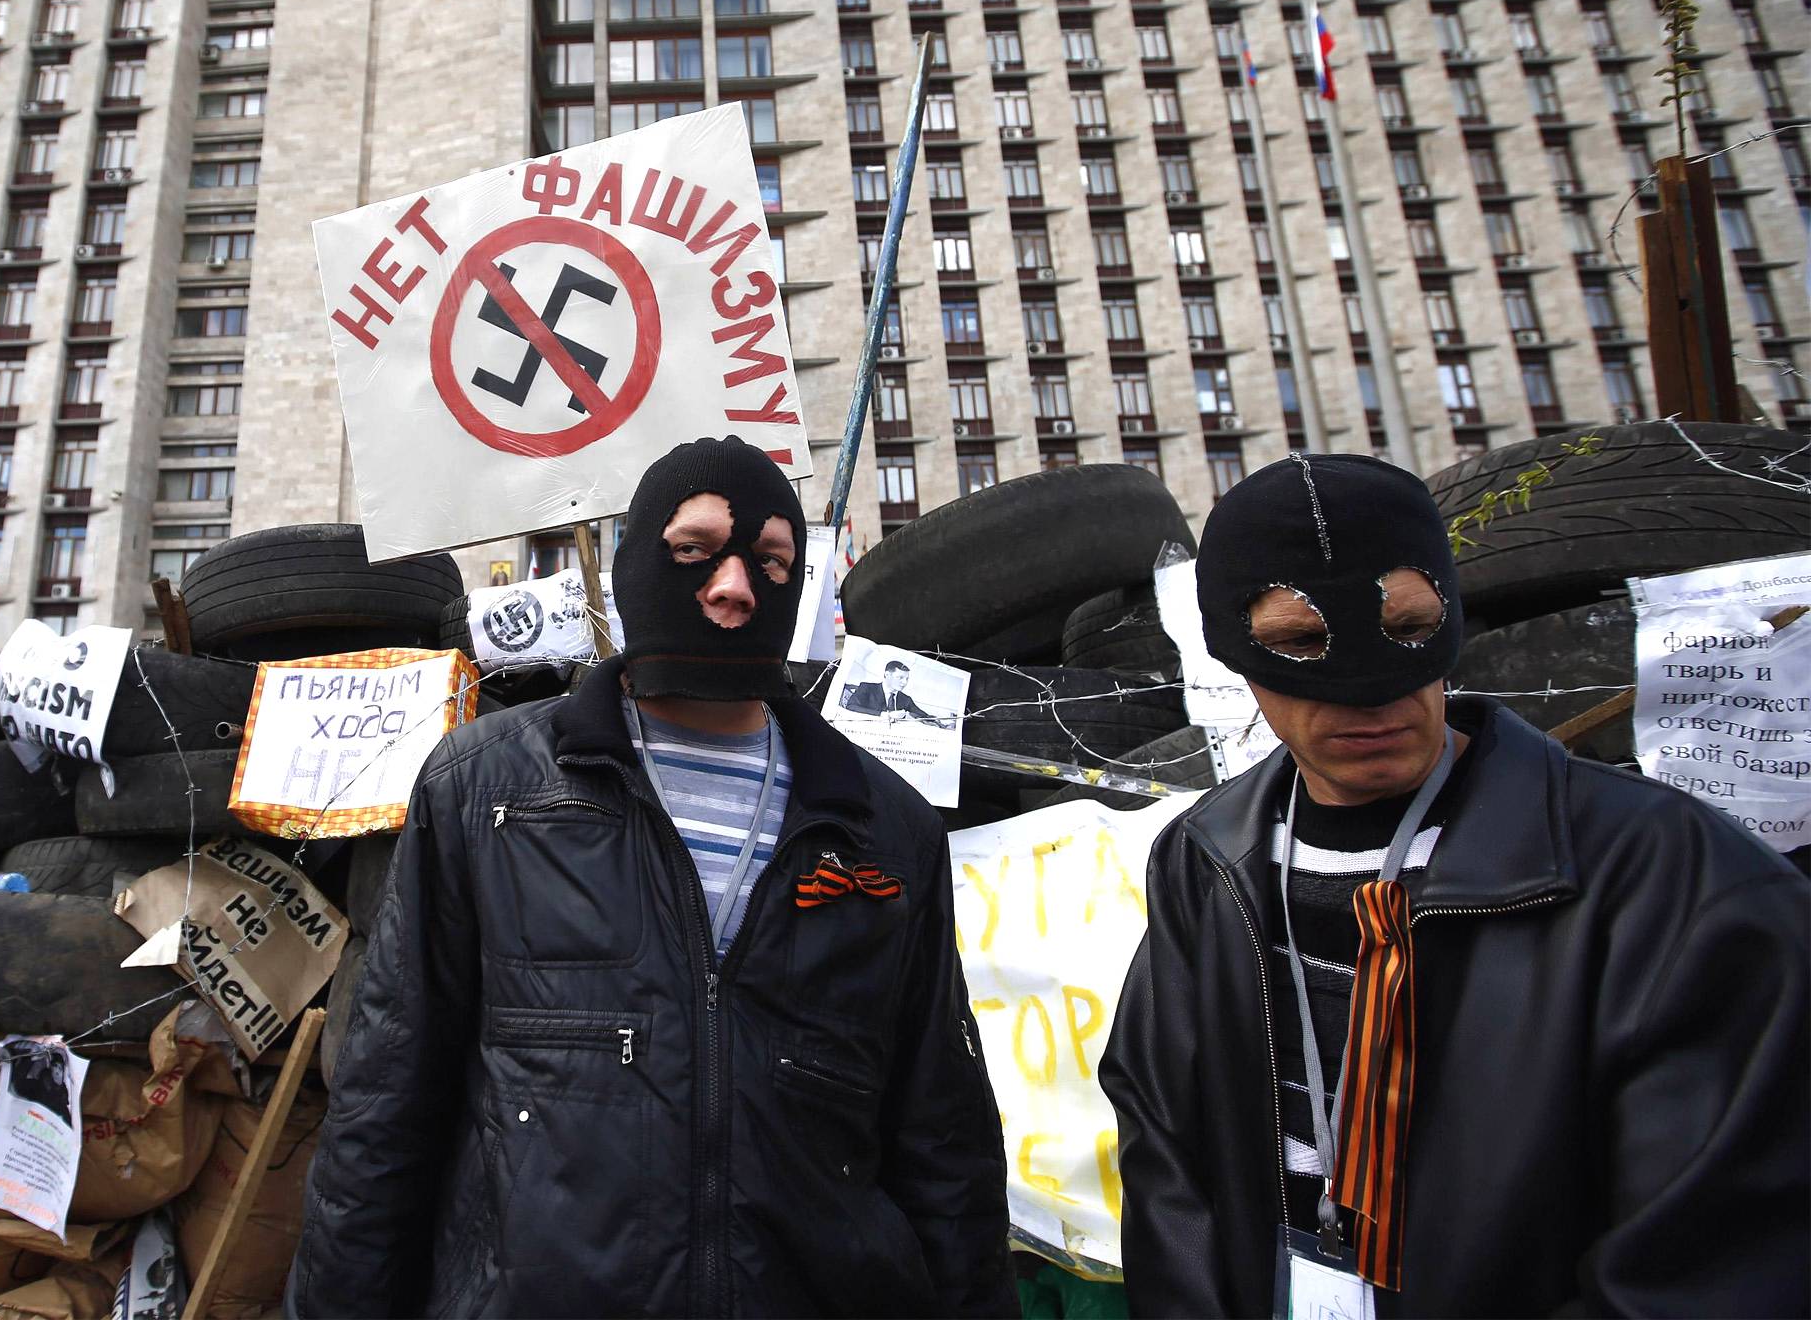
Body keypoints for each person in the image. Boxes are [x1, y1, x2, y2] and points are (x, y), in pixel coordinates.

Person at [290, 436, 1016, 1318]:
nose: (735, 586)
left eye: (773, 559)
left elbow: (944, 1141)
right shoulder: (487, 789)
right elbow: (385, 1112)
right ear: (638, 561)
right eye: (695, 551)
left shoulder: (885, 825)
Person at [1100, 452, 1810, 1318]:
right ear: (1231, 651)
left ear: (1450, 614)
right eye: (1297, 642)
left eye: (1407, 626)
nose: (1370, 693)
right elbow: (1165, 1143)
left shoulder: (1670, 877)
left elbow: (1714, 1253)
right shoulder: (1205, 862)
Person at [840, 659, 952, 726]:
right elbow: (851, 706)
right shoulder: (867, 688)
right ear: (887, 675)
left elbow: (922, 715)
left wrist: (939, 722)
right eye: (900, 677)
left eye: (907, 679)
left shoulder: (905, 699)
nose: (904, 683)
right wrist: (884, 715)